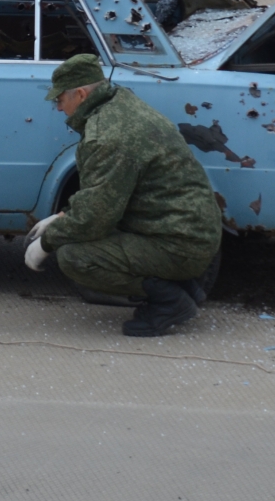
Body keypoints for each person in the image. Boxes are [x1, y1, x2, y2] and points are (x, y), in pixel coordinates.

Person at [24, 54, 223, 337]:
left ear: (80, 94)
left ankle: (170, 302)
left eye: (59, 100)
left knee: (74, 256)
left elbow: (95, 218)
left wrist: (47, 242)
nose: (58, 108)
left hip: (179, 242)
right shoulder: (120, 103)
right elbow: (107, 192)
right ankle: (182, 285)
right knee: (83, 231)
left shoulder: (108, 136)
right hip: (186, 231)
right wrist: (62, 216)